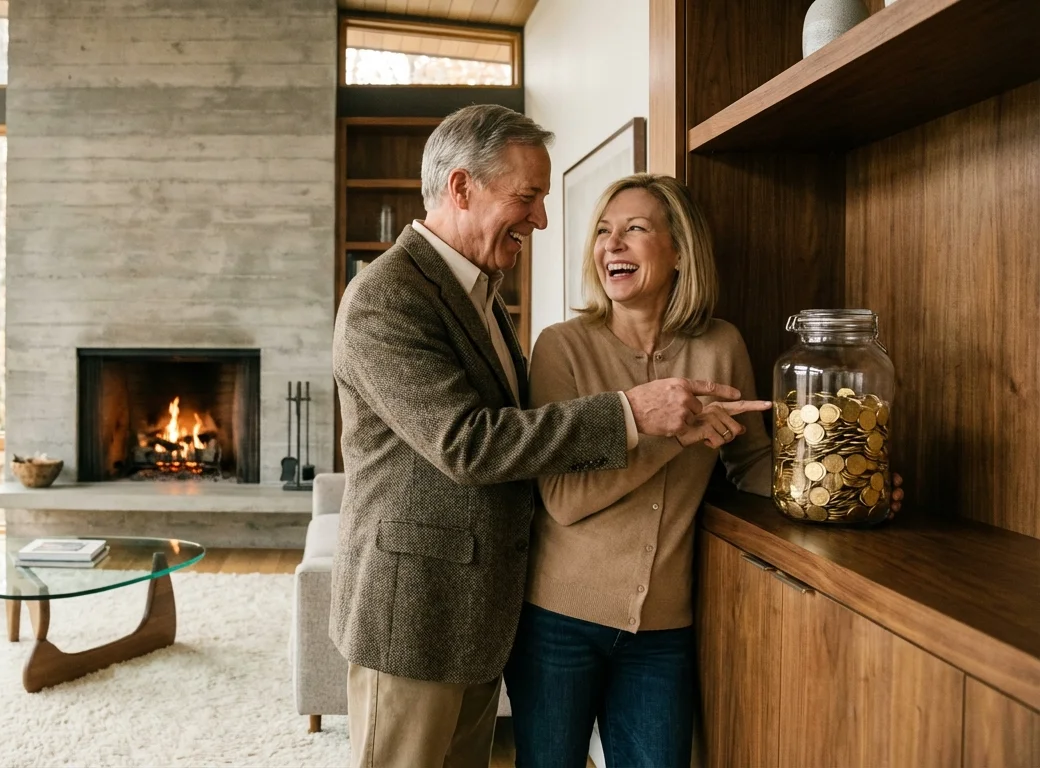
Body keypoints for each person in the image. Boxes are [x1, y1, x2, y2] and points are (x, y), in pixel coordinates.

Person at [329, 106, 763, 768]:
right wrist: (635, 415)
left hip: (478, 616)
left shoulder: (480, 292)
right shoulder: (388, 296)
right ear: (462, 187)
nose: (540, 219)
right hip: (417, 615)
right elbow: (468, 445)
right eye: (528, 197)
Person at [503, 173, 903, 768]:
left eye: (635, 230)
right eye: (604, 232)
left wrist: (844, 483)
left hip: (664, 630)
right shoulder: (563, 347)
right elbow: (563, 498)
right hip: (558, 623)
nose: (612, 245)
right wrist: (671, 438)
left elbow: (749, 462)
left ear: (681, 251)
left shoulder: (721, 345)